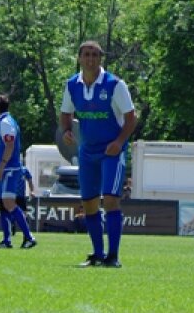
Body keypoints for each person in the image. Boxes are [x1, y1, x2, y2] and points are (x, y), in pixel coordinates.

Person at [59, 41, 138, 268]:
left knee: (111, 200)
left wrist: (119, 142)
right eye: (86, 55)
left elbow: (131, 117)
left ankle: (113, 256)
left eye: (95, 55)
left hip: (111, 152)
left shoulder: (114, 85)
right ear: (79, 58)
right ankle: (97, 253)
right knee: (89, 203)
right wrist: (66, 131)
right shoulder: (72, 85)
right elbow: (65, 114)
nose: (90, 59)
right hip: (87, 152)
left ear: (101, 58)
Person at [0, 95, 37, 250]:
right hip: (5, 169)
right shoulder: (3, 121)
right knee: (3, 204)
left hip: (9, 169)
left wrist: (2, 166)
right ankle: (7, 240)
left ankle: (29, 237)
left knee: (9, 203)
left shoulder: (5, 122)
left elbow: (10, 146)